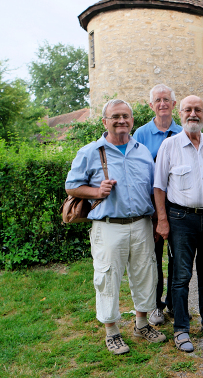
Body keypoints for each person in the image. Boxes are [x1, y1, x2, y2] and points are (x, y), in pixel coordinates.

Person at [65, 99, 166, 355]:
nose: (121, 121)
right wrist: (97, 191)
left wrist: (157, 221)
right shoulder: (90, 152)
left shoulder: (142, 151)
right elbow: (72, 186)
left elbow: (153, 190)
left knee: (145, 274)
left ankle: (142, 324)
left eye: (126, 116)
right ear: (105, 122)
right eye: (115, 116)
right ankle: (112, 331)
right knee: (107, 277)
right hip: (108, 226)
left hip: (142, 224)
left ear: (132, 120)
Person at [154, 95, 203, 352]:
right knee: (181, 276)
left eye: (198, 109)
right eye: (188, 109)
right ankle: (181, 329)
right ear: (181, 113)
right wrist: (162, 220)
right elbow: (159, 187)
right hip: (181, 219)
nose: (193, 114)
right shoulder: (170, 145)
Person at [133, 84, 183, 326]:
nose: (162, 104)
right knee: (152, 259)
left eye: (167, 100)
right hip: (151, 209)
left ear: (174, 105)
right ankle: (154, 306)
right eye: (158, 100)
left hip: (178, 207)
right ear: (151, 105)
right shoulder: (141, 135)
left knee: (177, 258)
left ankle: (174, 303)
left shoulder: (183, 132)